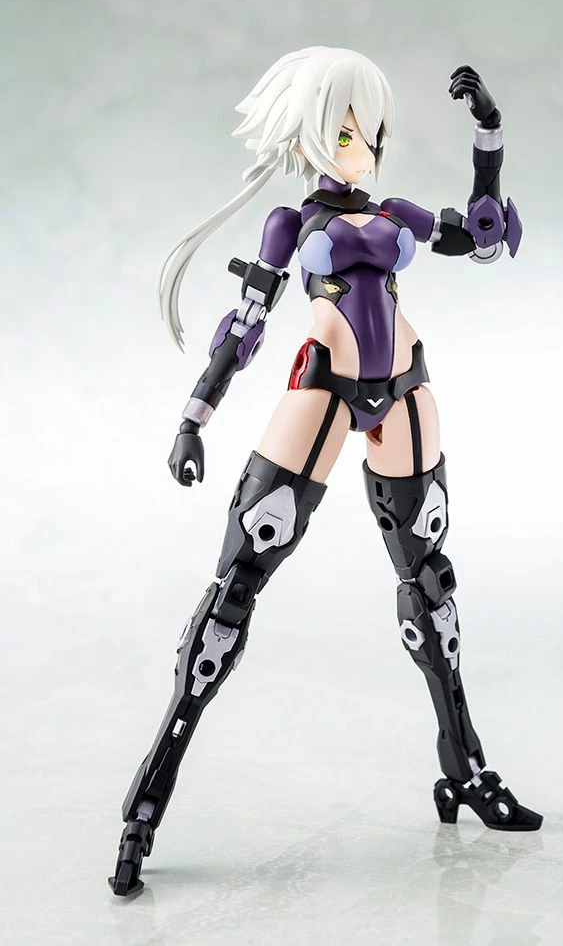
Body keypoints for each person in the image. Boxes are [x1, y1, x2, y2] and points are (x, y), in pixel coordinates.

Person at [109, 46, 541, 898]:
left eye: (372, 132)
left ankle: (462, 766)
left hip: (406, 387)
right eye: (346, 130)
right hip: (324, 388)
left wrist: (489, 134)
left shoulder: (394, 210)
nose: (364, 147)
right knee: (239, 579)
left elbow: (482, 235)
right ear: (309, 133)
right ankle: (146, 804)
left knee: (428, 578)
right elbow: (245, 325)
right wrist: (194, 416)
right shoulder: (289, 224)